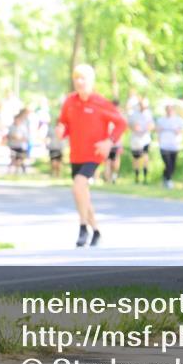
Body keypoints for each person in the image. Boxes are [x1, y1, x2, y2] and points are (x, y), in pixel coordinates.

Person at [57, 64, 127, 247]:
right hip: (76, 154)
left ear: (91, 81)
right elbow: (64, 123)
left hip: (94, 153)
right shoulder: (69, 102)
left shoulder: (100, 102)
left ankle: (83, 228)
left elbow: (121, 123)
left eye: (83, 78)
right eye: (76, 78)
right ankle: (96, 231)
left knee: (78, 185)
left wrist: (109, 142)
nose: (79, 82)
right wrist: (61, 130)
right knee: (82, 192)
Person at [156, 104, 183, 188]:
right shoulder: (161, 120)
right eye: (167, 109)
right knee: (167, 163)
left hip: (174, 145)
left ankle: (165, 178)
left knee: (172, 165)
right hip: (164, 145)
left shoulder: (178, 120)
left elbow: (180, 131)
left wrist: (176, 130)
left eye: (171, 109)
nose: (169, 111)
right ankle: (168, 180)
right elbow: (157, 131)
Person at [128, 98, 154, 184]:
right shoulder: (133, 114)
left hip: (145, 139)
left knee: (145, 156)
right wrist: (134, 127)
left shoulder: (148, 113)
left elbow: (152, 125)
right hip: (136, 139)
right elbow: (129, 124)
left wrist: (148, 128)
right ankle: (137, 176)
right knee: (136, 158)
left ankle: (145, 177)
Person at [103, 98, 124, 184]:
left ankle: (112, 177)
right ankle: (109, 179)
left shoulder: (120, 116)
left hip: (116, 143)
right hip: (109, 143)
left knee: (113, 162)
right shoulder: (108, 115)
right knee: (108, 162)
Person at [6, 110, 29, 175]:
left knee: (19, 159)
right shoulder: (11, 127)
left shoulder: (23, 127)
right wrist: (13, 137)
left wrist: (19, 138)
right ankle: (11, 171)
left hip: (21, 146)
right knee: (13, 159)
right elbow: (9, 136)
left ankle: (17, 171)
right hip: (13, 146)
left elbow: (26, 138)